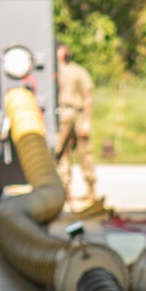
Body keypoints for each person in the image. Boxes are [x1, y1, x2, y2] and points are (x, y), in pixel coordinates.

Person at [55, 44, 97, 207]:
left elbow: (87, 96)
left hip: (76, 113)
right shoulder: (52, 71)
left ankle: (91, 188)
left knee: (84, 152)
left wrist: (87, 121)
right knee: (60, 153)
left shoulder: (77, 71)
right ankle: (65, 190)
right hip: (60, 113)